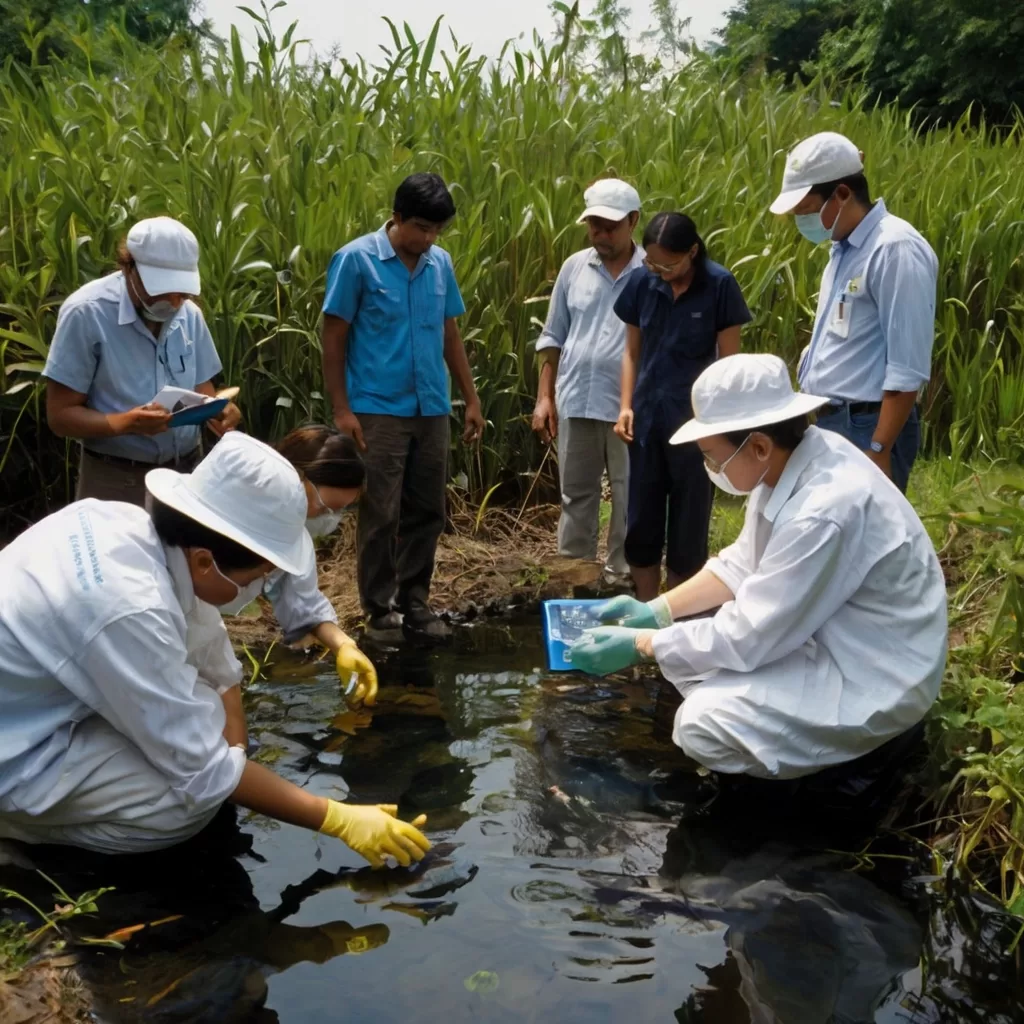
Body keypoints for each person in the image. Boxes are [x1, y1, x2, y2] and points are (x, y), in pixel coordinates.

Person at [0, 431, 430, 866]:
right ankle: (19, 838)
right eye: (259, 576)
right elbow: (204, 776)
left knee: (209, 722)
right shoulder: (130, 610)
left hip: (35, 704)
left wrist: (236, 754)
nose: (261, 586)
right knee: (182, 806)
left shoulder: (135, 533)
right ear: (207, 561)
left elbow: (215, 663)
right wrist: (337, 818)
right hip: (17, 750)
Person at [569, 354, 947, 781]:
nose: (711, 468)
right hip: (846, 634)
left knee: (702, 723)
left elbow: (748, 635)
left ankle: (837, 777)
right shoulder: (793, 462)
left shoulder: (823, 511)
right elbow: (743, 562)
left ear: (760, 445)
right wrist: (657, 611)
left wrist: (641, 644)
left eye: (713, 456)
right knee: (701, 668)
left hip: (881, 674)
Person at [321, 173, 484, 644]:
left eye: (436, 230)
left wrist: (470, 398)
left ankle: (415, 601)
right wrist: (342, 410)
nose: (428, 239)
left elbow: (449, 334)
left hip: (431, 405)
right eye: (419, 228)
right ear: (395, 218)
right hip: (377, 407)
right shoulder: (357, 261)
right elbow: (333, 337)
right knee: (380, 511)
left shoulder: (440, 264)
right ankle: (378, 609)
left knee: (427, 509)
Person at [770, 131, 938, 493]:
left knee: (864, 543)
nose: (803, 221)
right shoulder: (843, 250)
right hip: (833, 420)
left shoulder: (895, 249)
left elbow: (907, 368)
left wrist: (879, 448)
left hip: (868, 425)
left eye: (806, 211)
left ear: (842, 194)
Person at [42, 216, 242, 505]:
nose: (173, 303)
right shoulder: (87, 314)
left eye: (182, 293)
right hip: (116, 479)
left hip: (187, 475)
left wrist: (219, 410)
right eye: (162, 290)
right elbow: (60, 416)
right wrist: (127, 423)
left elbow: (203, 389)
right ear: (129, 268)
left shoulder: (190, 315)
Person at [614, 212, 752, 601]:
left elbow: (728, 363)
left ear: (693, 252)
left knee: (689, 524)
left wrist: (722, 427)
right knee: (641, 518)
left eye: (668, 264)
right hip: (647, 419)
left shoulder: (720, 285)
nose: (658, 270)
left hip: (697, 426)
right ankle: (645, 607)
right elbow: (631, 350)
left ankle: (676, 612)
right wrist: (626, 406)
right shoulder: (644, 282)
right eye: (651, 262)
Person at [206, 425, 379, 708]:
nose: (331, 519)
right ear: (297, 479)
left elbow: (303, 602)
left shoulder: (293, 541)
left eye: (340, 510)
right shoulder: (227, 515)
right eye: (325, 507)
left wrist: (344, 645)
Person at [532, 178, 645, 581]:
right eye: (594, 225)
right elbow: (553, 336)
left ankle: (622, 578)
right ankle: (576, 577)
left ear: (633, 221)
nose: (600, 233)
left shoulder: (649, 273)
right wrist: (545, 397)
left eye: (610, 226)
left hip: (626, 406)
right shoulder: (574, 267)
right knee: (576, 495)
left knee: (629, 494)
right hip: (576, 397)